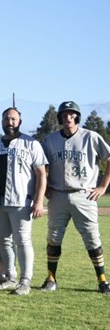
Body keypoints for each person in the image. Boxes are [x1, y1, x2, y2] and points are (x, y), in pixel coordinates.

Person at [40, 101, 110, 295]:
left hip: (84, 194)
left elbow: (109, 158)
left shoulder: (91, 136)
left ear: (76, 116)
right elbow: (41, 165)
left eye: (71, 114)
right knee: (53, 238)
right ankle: (51, 278)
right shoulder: (50, 140)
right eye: (64, 114)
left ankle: (102, 280)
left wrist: (103, 186)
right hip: (58, 195)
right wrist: (44, 185)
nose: (67, 117)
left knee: (92, 238)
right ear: (60, 117)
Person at [0, 107, 47, 295]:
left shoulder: (31, 143)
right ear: (1, 122)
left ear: (20, 121)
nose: (10, 122)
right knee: (4, 242)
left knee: (23, 241)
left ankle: (26, 281)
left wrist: (39, 201)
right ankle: (10, 277)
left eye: (13, 119)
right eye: (7, 119)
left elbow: (41, 174)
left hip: (21, 202)